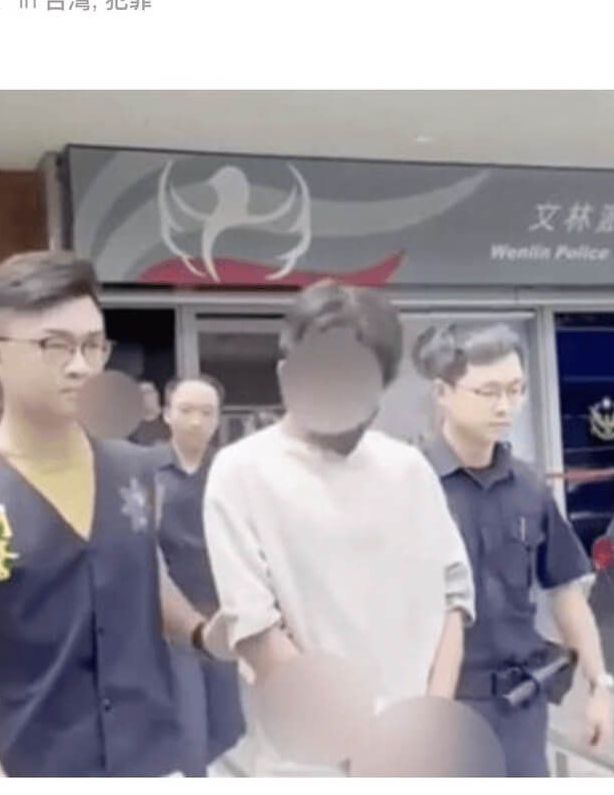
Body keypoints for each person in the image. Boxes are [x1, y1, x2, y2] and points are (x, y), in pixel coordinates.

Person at [0, 251, 222, 777]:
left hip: (151, 761)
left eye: (93, 345)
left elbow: (142, 574)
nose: (80, 365)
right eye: (54, 345)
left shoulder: (133, 471)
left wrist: (201, 633)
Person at [203, 280, 475, 776]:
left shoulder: (409, 469)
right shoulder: (242, 472)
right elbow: (256, 632)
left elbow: (454, 598)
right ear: (286, 375)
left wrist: (429, 722)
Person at [412, 322, 614, 776]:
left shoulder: (529, 486)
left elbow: (565, 590)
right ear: (442, 392)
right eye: (488, 392)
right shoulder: (410, 485)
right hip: (440, 709)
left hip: (521, 709)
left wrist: (598, 685)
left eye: (515, 389)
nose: (505, 406)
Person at [151, 375, 246, 776]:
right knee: (190, 725)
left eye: (207, 413)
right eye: (186, 410)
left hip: (222, 616)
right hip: (171, 621)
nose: (196, 421)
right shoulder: (147, 471)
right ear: (166, 413)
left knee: (229, 727)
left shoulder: (230, 471)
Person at [129, 381, 170, 445]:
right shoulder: (133, 428)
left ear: (156, 394)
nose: (145, 396)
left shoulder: (170, 418)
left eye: (148, 392)